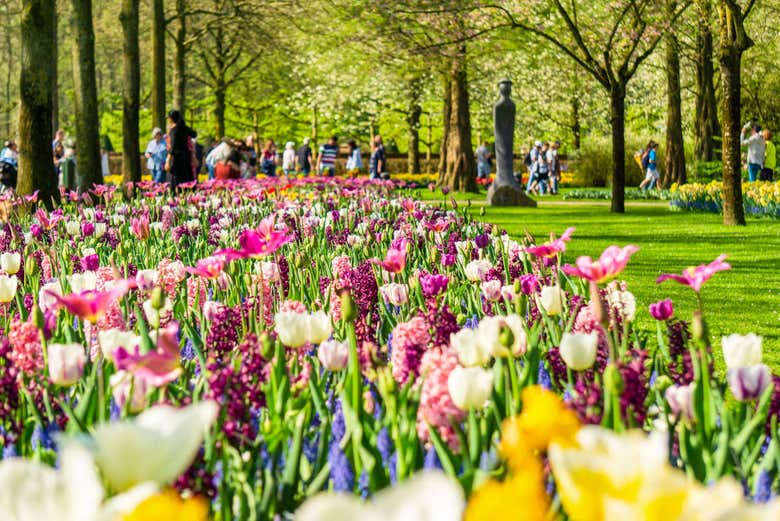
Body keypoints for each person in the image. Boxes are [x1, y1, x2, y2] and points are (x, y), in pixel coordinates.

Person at [166, 109, 198, 190]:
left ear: (171, 119)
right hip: (186, 156)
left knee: (175, 179)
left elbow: (173, 147)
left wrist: (168, 161)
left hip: (176, 158)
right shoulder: (183, 128)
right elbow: (194, 134)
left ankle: (176, 194)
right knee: (186, 177)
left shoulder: (174, 130)